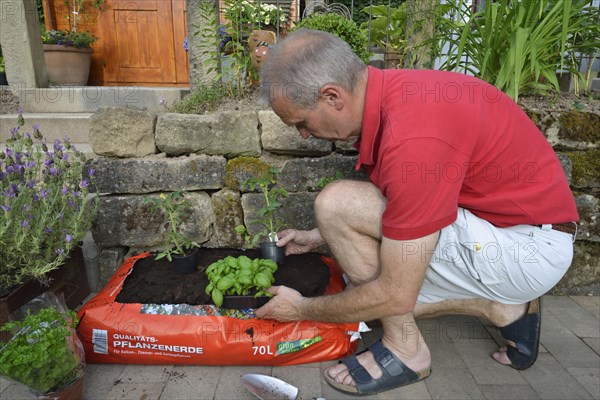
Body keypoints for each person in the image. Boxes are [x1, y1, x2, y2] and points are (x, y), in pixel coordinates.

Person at [254, 29, 578, 396]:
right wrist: (318, 238)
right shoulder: (398, 94)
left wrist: (302, 309)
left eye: (301, 122)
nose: (304, 136)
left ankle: (406, 351)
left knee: (341, 214)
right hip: (511, 229)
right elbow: (407, 199)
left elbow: (395, 295)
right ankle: (500, 307)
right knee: (359, 290)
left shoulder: (413, 137)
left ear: (332, 96)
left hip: (527, 249)